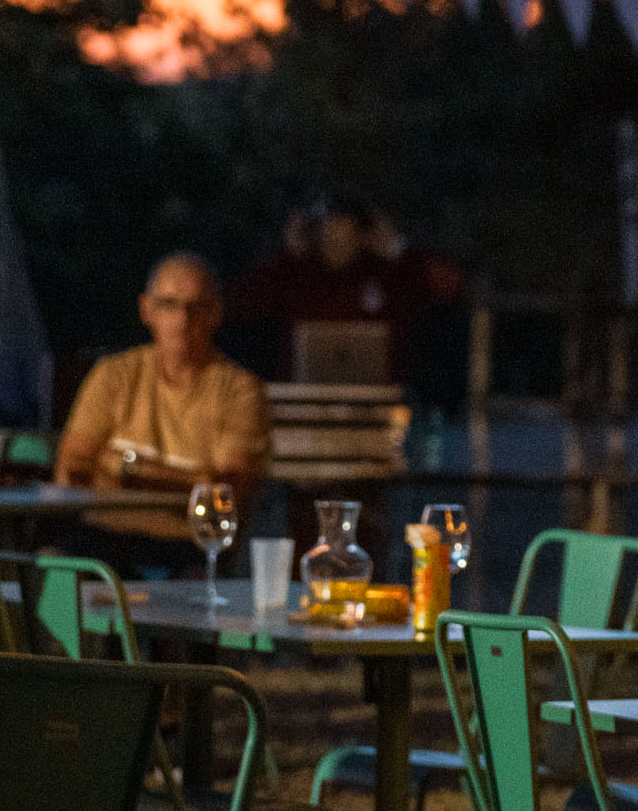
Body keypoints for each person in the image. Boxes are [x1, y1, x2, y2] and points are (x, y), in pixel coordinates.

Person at [55, 253, 270, 577]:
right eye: (169, 304)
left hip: (188, 542)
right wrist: (193, 480)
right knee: (49, 569)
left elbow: (225, 495)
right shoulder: (113, 374)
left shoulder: (240, 390)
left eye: (195, 306)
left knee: (195, 582)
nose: (182, 318)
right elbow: (71, 471)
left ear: (215, 313)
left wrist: (126, 468)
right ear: (147, 309)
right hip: (105, 535)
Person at [231, 197, 460, 384]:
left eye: (346, 232)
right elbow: (240, 304)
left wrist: (399, 249)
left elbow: (451, 286)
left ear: (362, 235)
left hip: (377, 404)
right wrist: (286, 255)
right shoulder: (295, 272)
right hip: (305, 401)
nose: (337, 241)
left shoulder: (389, 273)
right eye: (329, 232)